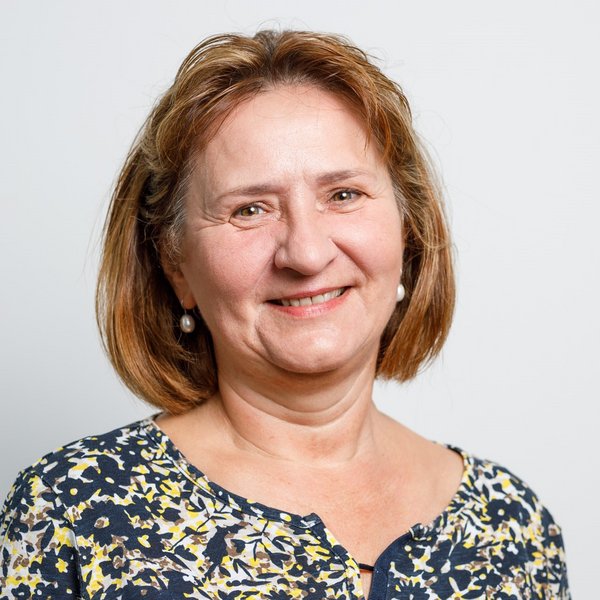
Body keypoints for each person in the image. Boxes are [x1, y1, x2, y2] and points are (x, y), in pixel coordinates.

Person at [0, 30, 569, 599]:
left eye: (343, 195)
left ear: (408, 230)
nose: (307, 253)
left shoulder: (513, 528)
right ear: (175, 265)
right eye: (250, 209)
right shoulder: (69, 510)